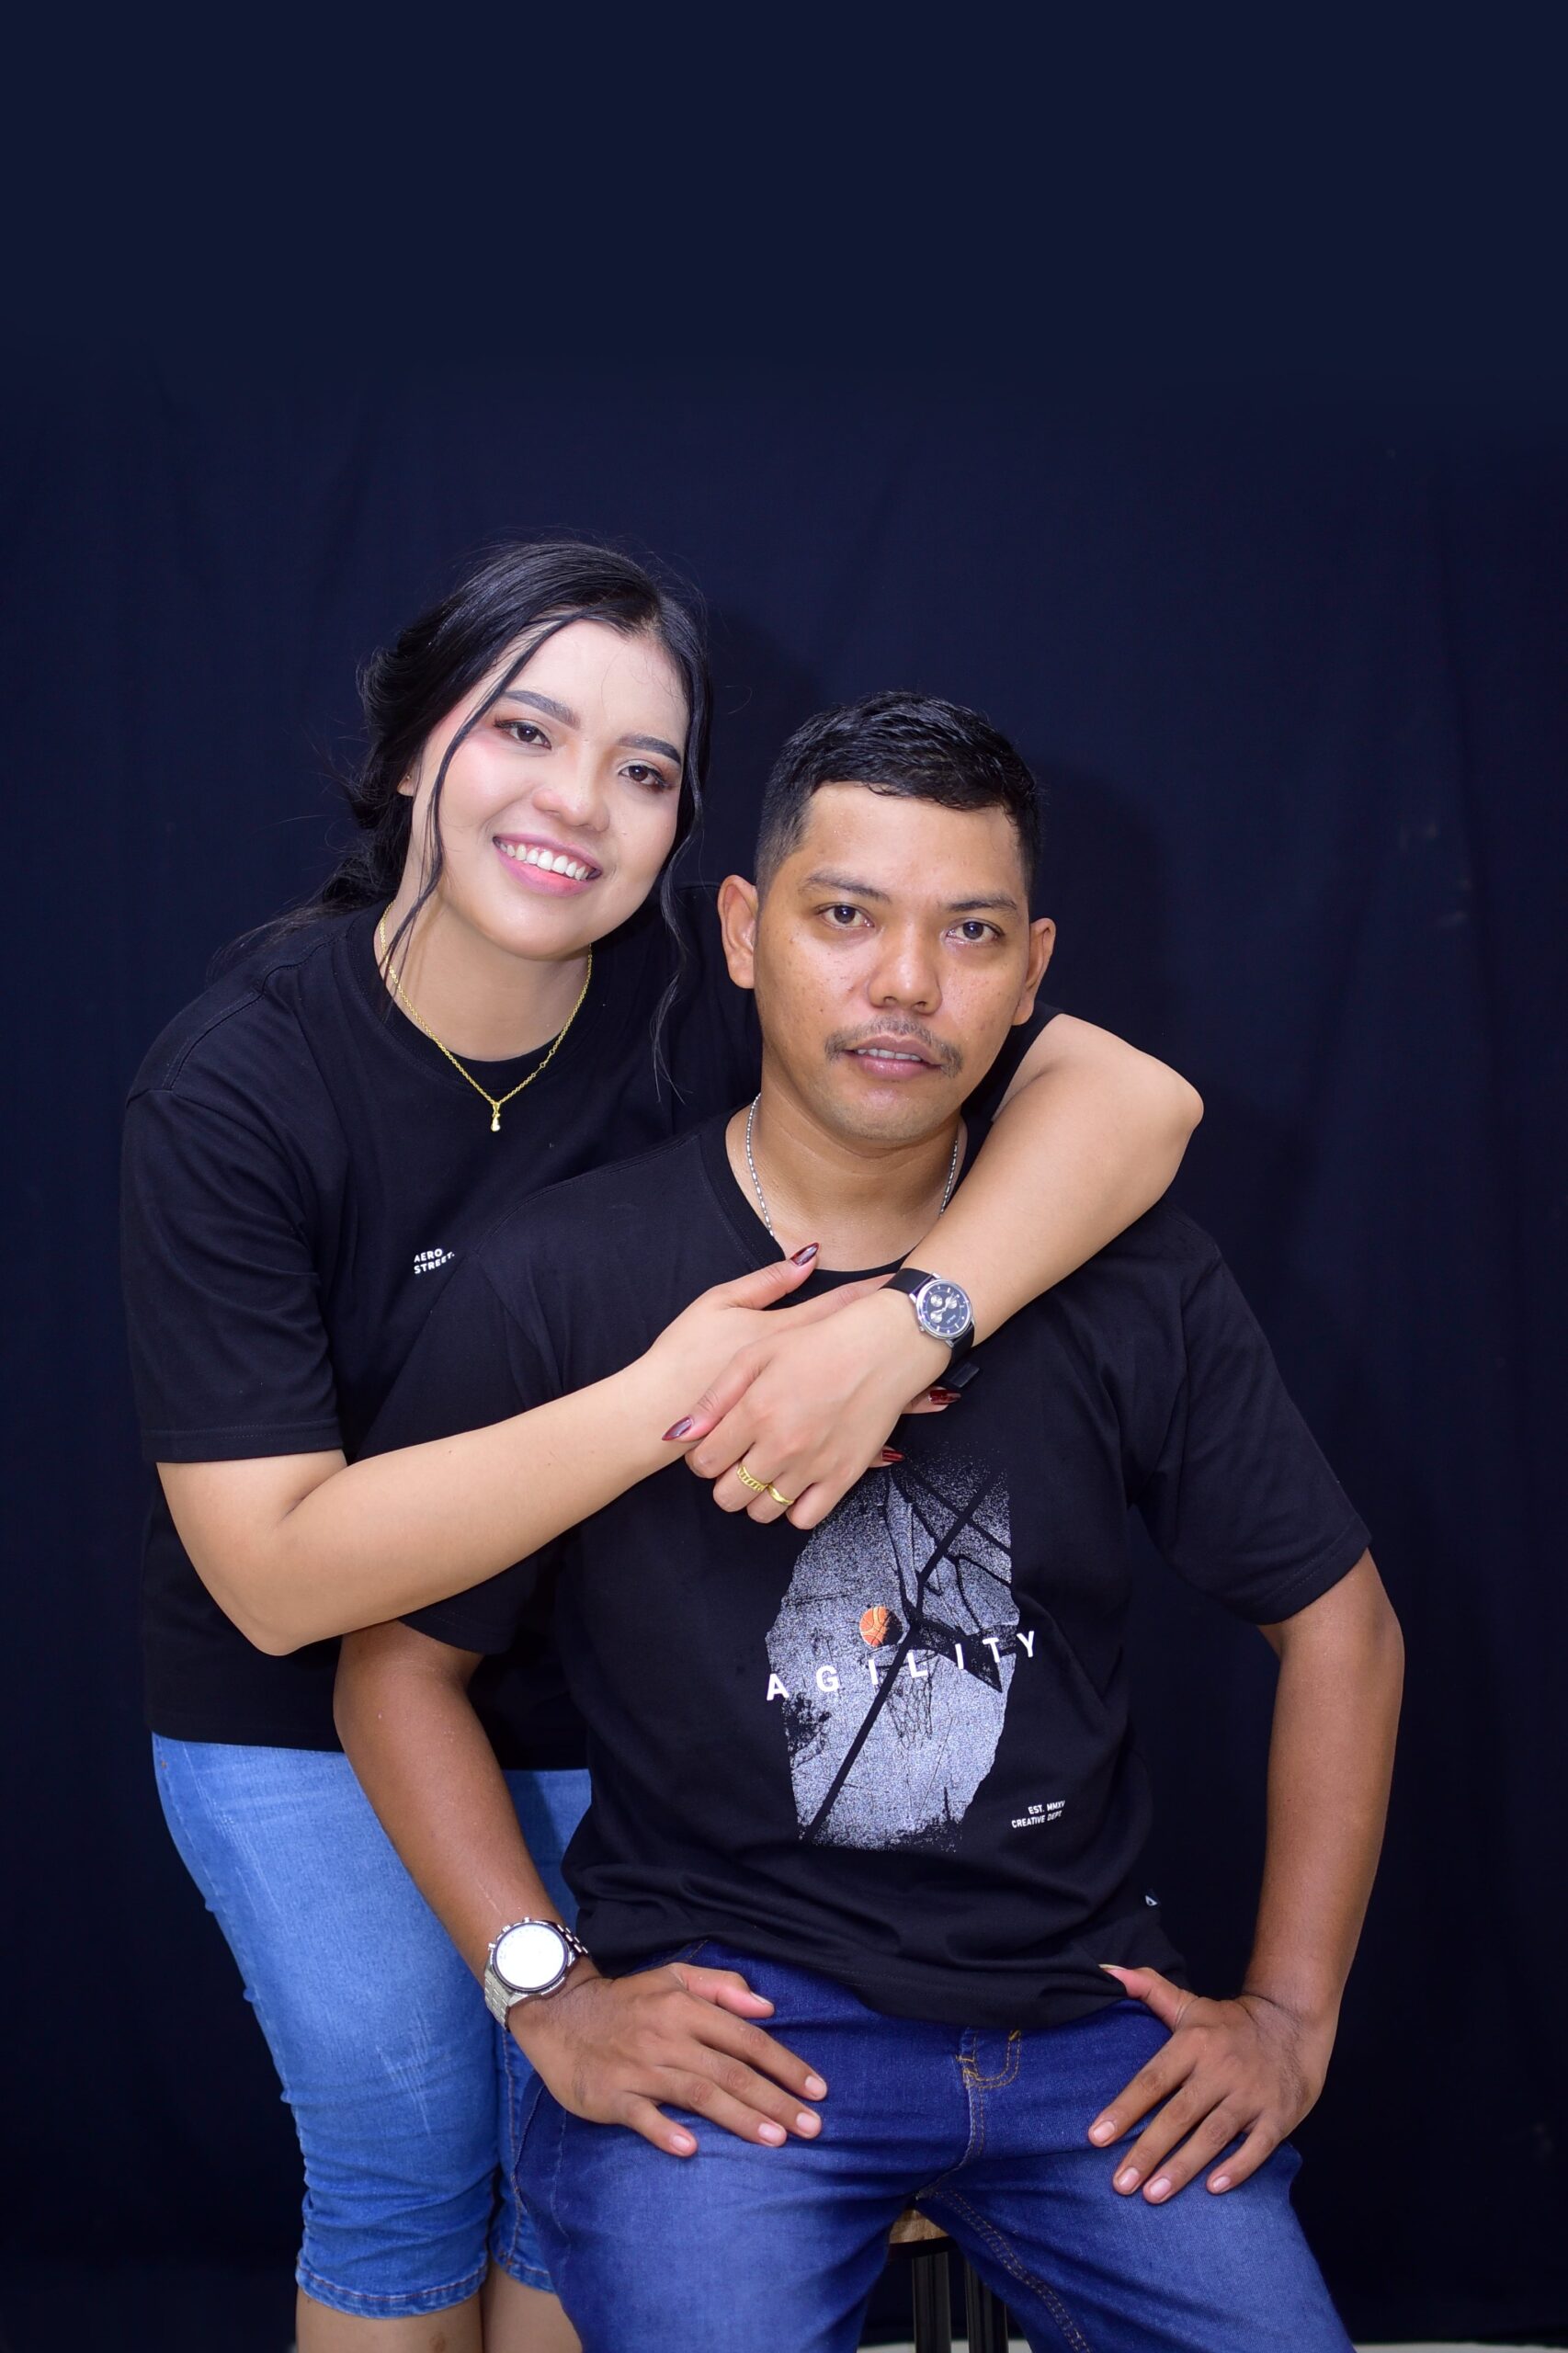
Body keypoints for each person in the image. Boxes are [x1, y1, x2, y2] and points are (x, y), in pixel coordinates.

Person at [120, 550, 1204, 2353]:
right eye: (524, 731)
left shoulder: (696, 993)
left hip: (628, 1697)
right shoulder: (237, 1084)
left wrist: (912, 1317)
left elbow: (1132, 1099)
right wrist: (661, 1397)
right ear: (415, 749)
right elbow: (277, 1575)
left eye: (641, 768)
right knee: (406, 2176)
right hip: (304, 1706)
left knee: (616, 2161)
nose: (576, 802)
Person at [335, 691, 1404, 2353]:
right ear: (743, 931)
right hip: (740, 2031)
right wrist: (549, 1995)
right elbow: (396, 1669)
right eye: (845, 917)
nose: (906, 983)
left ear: (1032, 972)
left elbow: (1341, 1623)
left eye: (968, 933)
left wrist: (1287, 2011)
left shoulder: (1131, 1276)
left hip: (1088, 2032)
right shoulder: (568, 1277)